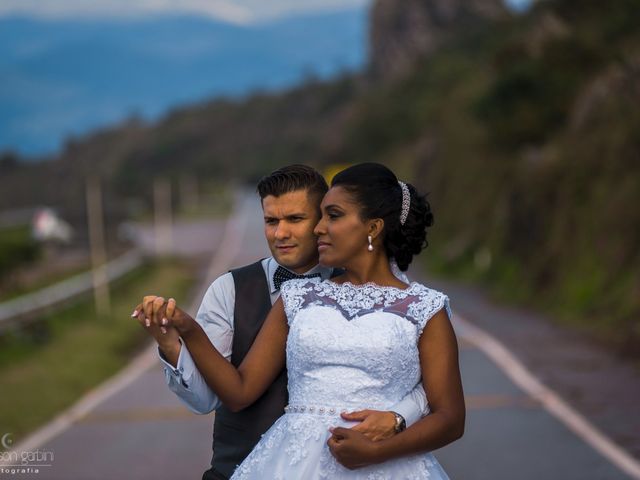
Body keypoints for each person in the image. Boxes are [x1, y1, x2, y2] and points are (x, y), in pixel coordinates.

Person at [138, 163, 465, 478]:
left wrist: (387, 436)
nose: (318, 228)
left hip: (388, 466)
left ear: (373, 227)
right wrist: (186, 329)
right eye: (270, 220)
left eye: (329, 216)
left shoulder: (423, 306)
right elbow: (237, 392)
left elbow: (447, 412)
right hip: (284, 464)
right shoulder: (295, 296)